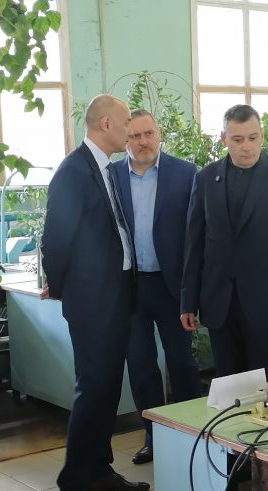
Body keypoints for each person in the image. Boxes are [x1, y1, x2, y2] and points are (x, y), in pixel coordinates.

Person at [41, 95, 150, 491]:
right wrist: (65, 290)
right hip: (92, 300)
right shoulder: (73, 172)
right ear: (106, 124)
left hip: (118, 293)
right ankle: (73, 490)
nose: (131, 130)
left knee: (107, 388)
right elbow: (56, 238)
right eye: (126, 123)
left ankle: (99, 471)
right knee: (93, 390)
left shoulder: (106, 167)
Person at [180, 104, 268, 377]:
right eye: (238, 139)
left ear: (261, 135)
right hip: (219, 305)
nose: (246, 147)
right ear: (224, 139)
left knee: (266, 387)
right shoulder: (205, 179)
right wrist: (187, 302)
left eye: (253, 138)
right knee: (229, 386)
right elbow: (194, 245)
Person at [116, 109, 200, 466]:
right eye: (135, 136)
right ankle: (153, 437)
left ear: (159, 133)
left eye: (148, 133)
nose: (143, 142)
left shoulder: (185, 173)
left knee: (182, 362)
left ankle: (192, 434)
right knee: (140, 365)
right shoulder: (112, 176)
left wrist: (192, 294)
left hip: (172, 287)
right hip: (131, 288)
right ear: (125, 139)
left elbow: (196, 237)